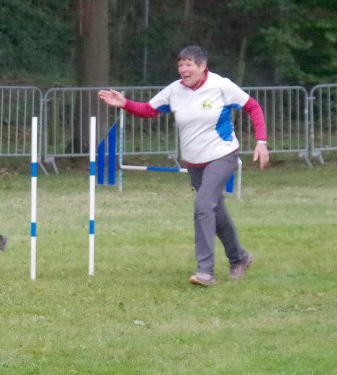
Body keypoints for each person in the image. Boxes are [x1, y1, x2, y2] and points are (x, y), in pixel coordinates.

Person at [99, 45, 269, 286]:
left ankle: (205, 271)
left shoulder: (221, 85)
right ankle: (239, 258)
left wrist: (261, 142)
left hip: (222, 156)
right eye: (180, 65)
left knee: (202, 206)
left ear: (202, 66)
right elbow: (148, 110)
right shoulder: (174, 91)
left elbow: (253, 107)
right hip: (194, 163)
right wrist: (124, 102)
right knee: (215, 211)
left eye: (189, 64)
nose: (183, 69)